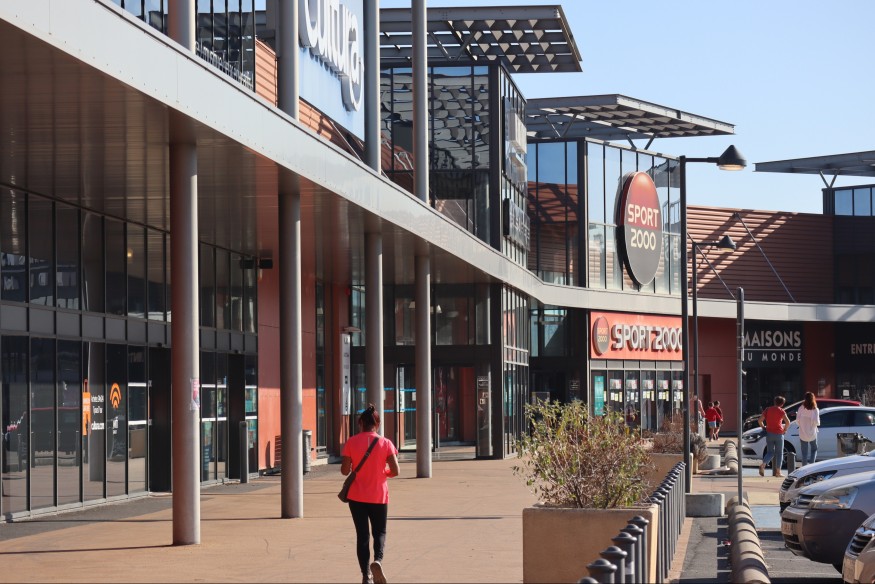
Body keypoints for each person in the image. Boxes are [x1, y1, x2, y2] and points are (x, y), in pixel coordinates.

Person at [341, 404, 400, 584]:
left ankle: (366, 575)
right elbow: (396, 470)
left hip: (356, 497)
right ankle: (378, 561)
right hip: (378, 495)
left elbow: (344, 471)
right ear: (378, 424)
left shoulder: (351, 442)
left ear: (360, 423)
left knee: (362, 536)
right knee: (379, 532)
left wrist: (355, 466)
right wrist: (384, 473)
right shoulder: (386, 443)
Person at [758, 396, 791, 477]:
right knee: (779, 453)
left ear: (774, 402)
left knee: (770, 452)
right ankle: (778, 472)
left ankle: (763, 464)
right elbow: (788, 422)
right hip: (779, 434)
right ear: (782, 404)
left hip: (769, 433)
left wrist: (763, 427)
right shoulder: (781, 411)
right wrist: (785, 430)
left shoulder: (767, 410)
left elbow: (760, 420)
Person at [796, 392, 821, 465]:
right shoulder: (815, 409)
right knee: (814, 449)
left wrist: (802, 424)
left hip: (802, 433)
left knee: (804, 452)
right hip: (812, 433)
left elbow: (797, 420)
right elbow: (817, 422)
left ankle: (804, 466)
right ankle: (812, 464)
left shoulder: (801, 408)